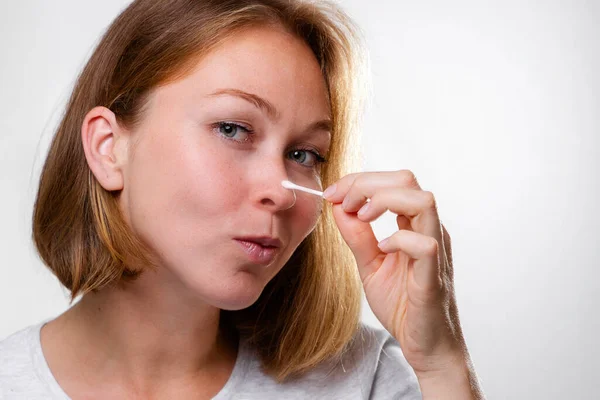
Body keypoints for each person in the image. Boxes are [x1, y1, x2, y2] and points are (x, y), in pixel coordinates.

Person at [0, 0, 485, 398]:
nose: (279, 190)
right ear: (109, 149)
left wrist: (441, 364)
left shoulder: (364, 380)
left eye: (304, 154)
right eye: (232, 129)